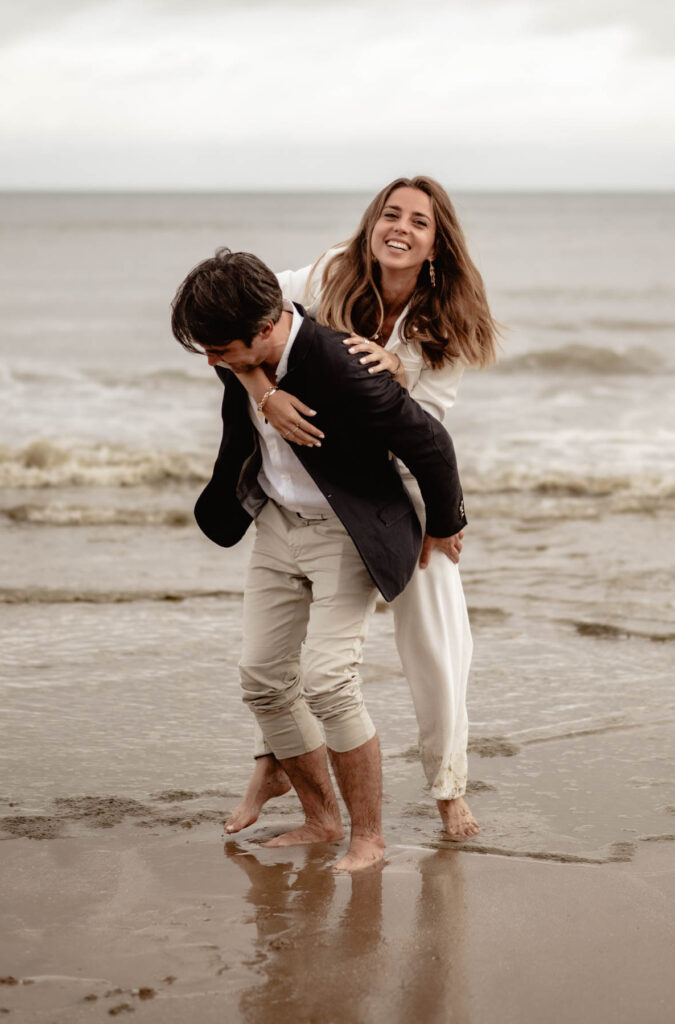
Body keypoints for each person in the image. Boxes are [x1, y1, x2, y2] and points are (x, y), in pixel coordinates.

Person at [170, 248, 468, 871]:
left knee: (329, 682)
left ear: (264, 330)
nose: (211, 361)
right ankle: (320, 819)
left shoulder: (343, 365)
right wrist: (260, 388)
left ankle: (369, 838)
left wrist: (443, 527)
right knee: (262, 678)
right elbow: (244, 361)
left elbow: (431, 444)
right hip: (276, 523)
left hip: (341, 531)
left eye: (221, 351)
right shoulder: (241, 344)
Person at [225, 176, 498, 839]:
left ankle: (447, 785)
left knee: (437, 640)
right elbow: (237, 325)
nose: (399, 227)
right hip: (319, 481)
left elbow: (427, 432)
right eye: (389, 214)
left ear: (436, 245)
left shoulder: (447, 325)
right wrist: (262, 389)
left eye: (417, 221)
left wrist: (443, 519)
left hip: (397, 482)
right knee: (282, 659)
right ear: (372, 223)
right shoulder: (327, 272)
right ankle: (274, 763)